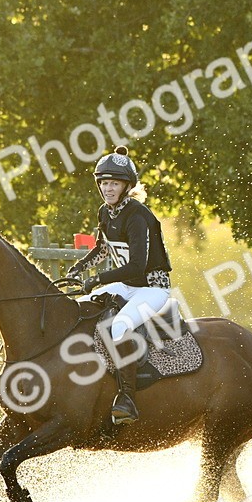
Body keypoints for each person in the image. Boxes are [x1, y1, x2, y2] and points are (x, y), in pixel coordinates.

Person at [67, 146, 172, 425]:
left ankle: (127, 399)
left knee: (120, 326)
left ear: (126, 186)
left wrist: (98, 279)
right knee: (80, 306)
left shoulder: (138, 216)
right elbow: (102, 249)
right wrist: (79, 267)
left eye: (114, 183)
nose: (108, 189)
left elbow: (137, 266)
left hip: (152, 288)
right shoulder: (105, 212)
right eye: (104, 183)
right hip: (126, 286)